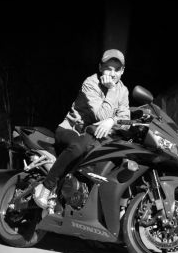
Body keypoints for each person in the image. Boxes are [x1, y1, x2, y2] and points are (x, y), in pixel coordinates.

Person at [32, 49, 130, 211]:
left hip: (94, 137)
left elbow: (125, 120)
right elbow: (101, 115)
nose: (112, 74)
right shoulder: (91, 83)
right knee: (79, 147)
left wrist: (112, 121)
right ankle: (46, 186)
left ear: (122, 71)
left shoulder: (123, 90)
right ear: (100, 67)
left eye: (117, 69)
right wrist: (111, 92)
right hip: (72, 130)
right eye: (108, 68)